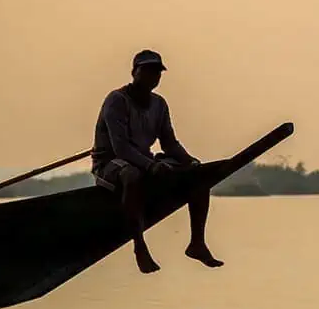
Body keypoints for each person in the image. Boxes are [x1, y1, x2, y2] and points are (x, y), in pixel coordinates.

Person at [91, 49, 223, 274]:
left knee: (199, 174)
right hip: (110, 163)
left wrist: (190, 162)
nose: (153, 76)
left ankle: (197, 243)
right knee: (132, 176)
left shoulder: (159, 104)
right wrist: (151, 165)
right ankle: (139, 246)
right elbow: (120, 148)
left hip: (141, 161)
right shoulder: (117, 100)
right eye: (147, 71)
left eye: (157, 72)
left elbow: (169, 143)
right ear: (134, 72)